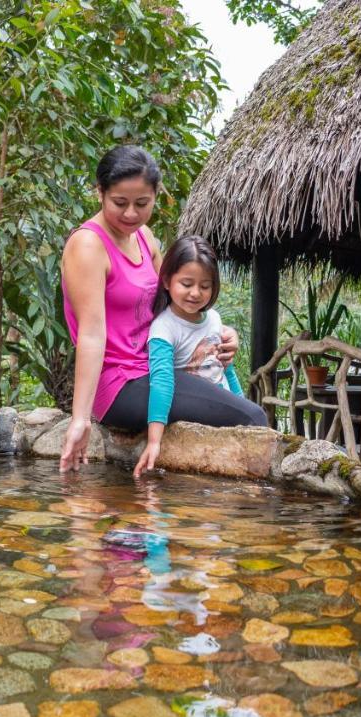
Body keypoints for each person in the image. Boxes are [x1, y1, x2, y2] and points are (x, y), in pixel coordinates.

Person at [59, 146, 266, 472]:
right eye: (119, 203)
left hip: (160, 368)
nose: (130, 214)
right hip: (121, 384)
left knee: (248, 412)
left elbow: (175, 303)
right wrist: (80, 419)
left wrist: (224, 335)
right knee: (252, 417)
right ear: (100, 192)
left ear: (156, 195)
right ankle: (248, 520)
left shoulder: (144, 237)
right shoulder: (88, 245)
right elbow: (92, 335)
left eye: (142, 204)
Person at [133, 236, 245, 477]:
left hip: (223, 405)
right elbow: (161, 382)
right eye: (186, 283)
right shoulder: (164, 328)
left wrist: (242, 402)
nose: (195, 293)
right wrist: (154, 441)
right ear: (166, 280)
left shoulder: (214, 318)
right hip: (197, 412)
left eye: (205, 286)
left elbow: (225, 367)